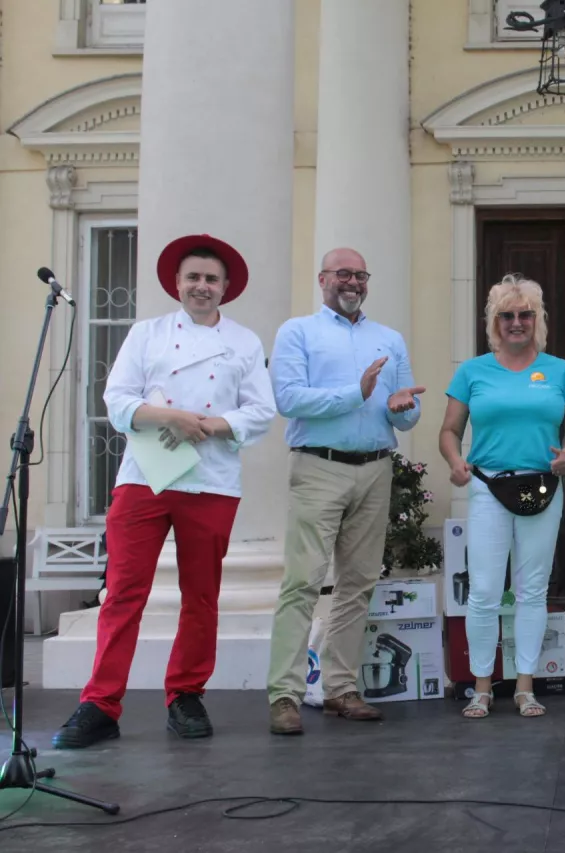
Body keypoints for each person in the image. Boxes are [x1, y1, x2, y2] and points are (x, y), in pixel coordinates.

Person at [52, 234, 276, 748]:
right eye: (193, 277)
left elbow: (261, 411)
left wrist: (209, 426)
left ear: (225, 288)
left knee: (201, 596)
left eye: (211, 279)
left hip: (211, 480)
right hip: (144, 476)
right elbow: (117, 400)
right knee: (123, 592)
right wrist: (172, 416)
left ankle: (186, 694)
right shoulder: (147, 334)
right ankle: (100, 703)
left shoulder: (244, 342)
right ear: (177, 283)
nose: (202, 286)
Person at [265, 247, 425, 735]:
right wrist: (355, 392)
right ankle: (285, 695)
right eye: (343, 274)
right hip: (319, 467)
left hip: (375, 468)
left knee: (358, 584)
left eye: (360, 275)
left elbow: (407, 410)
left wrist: (400, 410)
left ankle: (340, 687)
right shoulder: (298, 332)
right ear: (322, 280)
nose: (352, 282)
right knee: (303, 583)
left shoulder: (389, 338)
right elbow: (288, 399)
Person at [439, 275, 565, 719]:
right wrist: (454, 462)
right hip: (486, 487)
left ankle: (525, 685)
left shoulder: (559, 370)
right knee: (483, 591)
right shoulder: (473, 371)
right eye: (507, 316)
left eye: (525, 315)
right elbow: (449, 430)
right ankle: (482, 686)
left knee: (532, 591)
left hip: (541, 485)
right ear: (494, 322)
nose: (516, 323)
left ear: (537, 320)